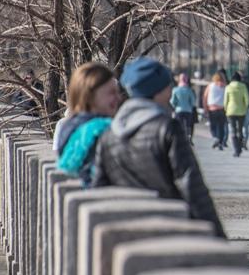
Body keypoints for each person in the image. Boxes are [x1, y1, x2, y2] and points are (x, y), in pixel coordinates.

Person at [92, 57, 225, 237]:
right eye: (167, 86)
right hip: (167, 226)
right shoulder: (167, 128)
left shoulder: (109, 134)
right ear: (158, 91)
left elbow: (99, 187)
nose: (170, 90)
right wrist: (217, 235)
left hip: (123, 229)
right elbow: (191, 184)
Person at [54, 62, 121, 186]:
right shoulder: (102, 130)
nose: (118, 98)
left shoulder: (67, 126)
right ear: (90, 94)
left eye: (117, 92)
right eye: (111, 93)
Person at [224, 71, 249, 157]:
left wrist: (226, 109)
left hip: (230, 111)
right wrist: (245, 107)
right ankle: (240, 146)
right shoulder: (243, 86)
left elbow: (225, 100)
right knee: (240, 130)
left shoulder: (228, 87)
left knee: (233, 130)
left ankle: (236, 149)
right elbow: (247, 100)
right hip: (241, 111)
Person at [202, 72, 227, 150]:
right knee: (221, 127)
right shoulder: (225, 86)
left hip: (212, 109)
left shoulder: (210, 86)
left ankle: (216, 138)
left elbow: (205, 97)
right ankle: (220, 142)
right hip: (222, 109)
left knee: (213, 126)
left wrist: (205, 108)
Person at [170, 73, 197, 145]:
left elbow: (172, 101)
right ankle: (189, 137)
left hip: (178, 110)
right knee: (188, 125)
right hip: (188, 111)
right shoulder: (189, 90)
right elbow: (193, 102)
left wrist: (175, 106)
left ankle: (178, 138)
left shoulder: (175, 90)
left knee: (178, 125)